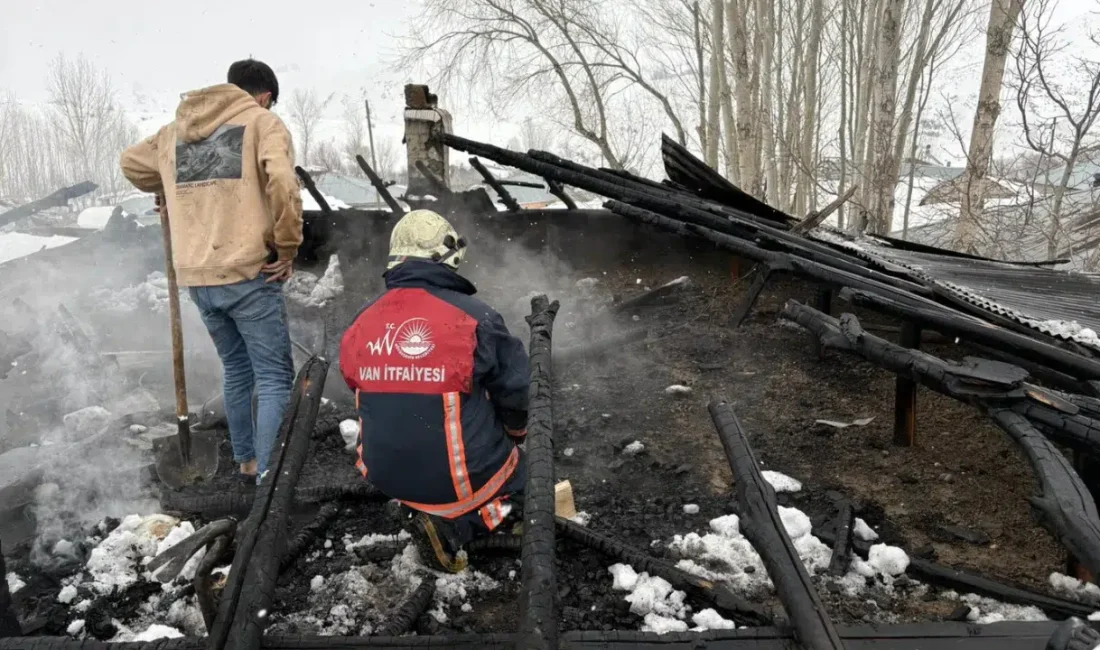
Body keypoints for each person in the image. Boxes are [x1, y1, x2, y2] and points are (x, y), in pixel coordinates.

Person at [120, 59, 302, 483]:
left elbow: (131, 163)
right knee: (274, 377)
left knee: (237, 370)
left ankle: (248, 462)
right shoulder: (262, 123)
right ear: (264, 97)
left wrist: (167, 184)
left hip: (198, 278)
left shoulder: (173, 132)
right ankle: (271, 479)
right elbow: (283, 184)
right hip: (248, 272)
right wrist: (288, 246)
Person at [339, 210, 529, 572]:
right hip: (457, 481)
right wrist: (516, 436)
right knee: (523, 486)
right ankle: (461, 528)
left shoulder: (360, 321)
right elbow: (517, 392)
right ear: (451, 259)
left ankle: (415, 505)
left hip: (381, 474)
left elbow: (354, 382)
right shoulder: (476, 318)